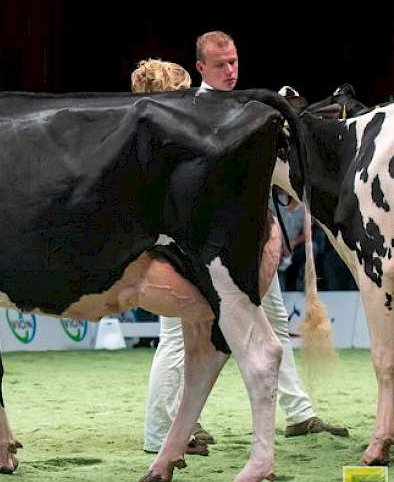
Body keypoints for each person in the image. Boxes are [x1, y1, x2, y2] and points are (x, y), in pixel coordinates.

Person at [139, 34, 348, 457]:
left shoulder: (245, 105)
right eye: (221, 64)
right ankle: (161, 430)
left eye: (234, 62)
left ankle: (299, 412)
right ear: (201, 68)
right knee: (180, 336)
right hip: (203, 244)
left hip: (248, 237)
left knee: (270, 321)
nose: (231, 71)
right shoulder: (190, 109)